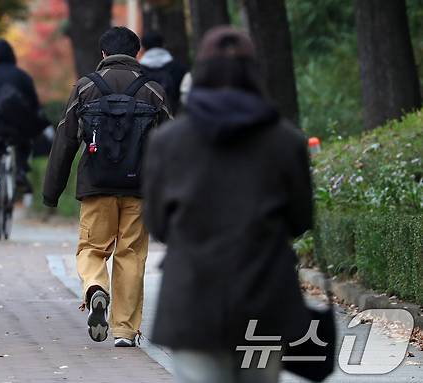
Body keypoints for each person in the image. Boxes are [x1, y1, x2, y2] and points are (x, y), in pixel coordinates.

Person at [143, 26, 313, 382]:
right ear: (255, 73)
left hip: (192, 303)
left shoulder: (168, 142)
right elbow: (300, 219)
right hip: (264, 301)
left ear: (200, 73)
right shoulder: (286, 141)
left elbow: (157, 225)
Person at [43, 26, 171, 347]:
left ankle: (95, 288)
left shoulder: (86, 88)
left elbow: (65, 140)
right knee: (130, 254)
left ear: (103, 54)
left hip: (96, 185)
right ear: (136, 54)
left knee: (92, 248)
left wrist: (51, 190)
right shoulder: (153, 90)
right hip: (139, 188)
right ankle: (125, 331)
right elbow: (174, 146)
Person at [0, 39, 40, 228]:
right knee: (24, 141)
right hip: (16, 127)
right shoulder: (22, 76)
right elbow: (34, 104)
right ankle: (20, 170)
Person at [140, 31, 188, 114]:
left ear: (143, 47)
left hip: (144, 119)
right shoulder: (179, 68)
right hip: (173, 118)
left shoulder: (137, 70)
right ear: (163, 45)